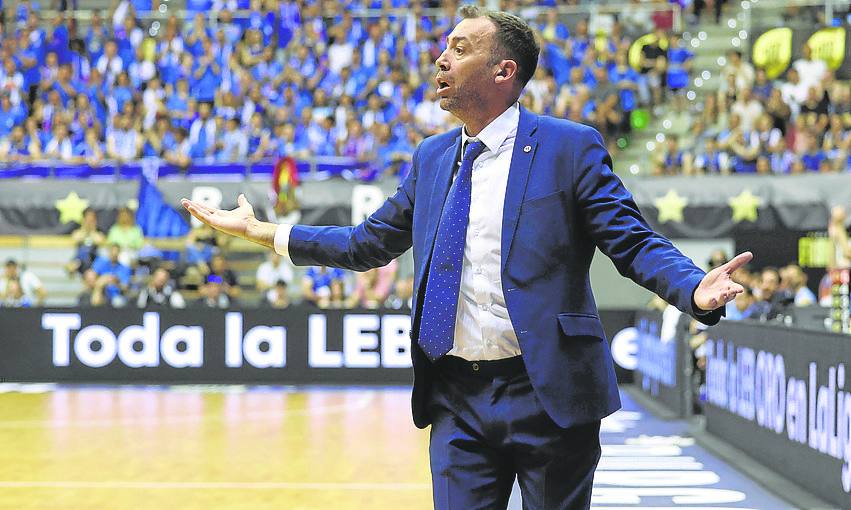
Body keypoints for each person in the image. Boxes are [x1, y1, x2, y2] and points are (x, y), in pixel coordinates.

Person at [182, 7, 751, 509]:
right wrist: (265, 232)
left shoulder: (567, 146)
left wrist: (693, 286)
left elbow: (631, 240)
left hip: (546, 392)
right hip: (455, 398)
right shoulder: (431, 158)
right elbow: (366, 243)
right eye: (444, 47)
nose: (441, 58)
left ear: (504, 72)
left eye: (460, 48)